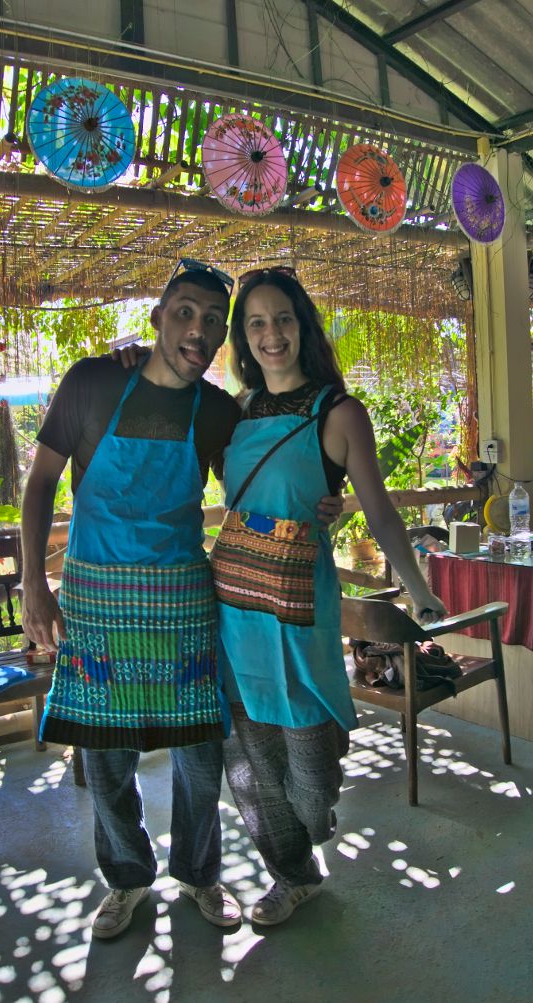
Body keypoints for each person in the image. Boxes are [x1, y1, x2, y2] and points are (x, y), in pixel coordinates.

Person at [210, 265, 447, 927]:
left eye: (282, 318)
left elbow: (380, 512)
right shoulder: (235, 413)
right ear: (243, 336)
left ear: (302, 325)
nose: (270, 334)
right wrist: (128, 360)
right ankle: (293, 876)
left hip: (301, 610)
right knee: (255, 760)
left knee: (310, 776)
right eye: (255, 322)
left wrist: (421, 592)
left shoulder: (338, 412)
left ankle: (307, 831)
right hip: (237, 608)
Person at [21, 259, 244, 939]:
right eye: (185, 311)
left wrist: (318, 497)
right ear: (156, 317)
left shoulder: (215, 411)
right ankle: (126, 878)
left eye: (212, 320)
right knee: (105, 755)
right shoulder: (92, 382)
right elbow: (38, 489)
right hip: (95, 600)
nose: (197, 330)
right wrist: (34, 582)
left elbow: (251, 491)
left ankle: (201, 872)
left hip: (182, 603)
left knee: (201, 756)